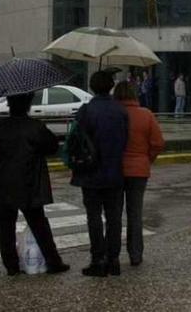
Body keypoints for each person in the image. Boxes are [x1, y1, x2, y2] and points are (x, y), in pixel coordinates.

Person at [0, 93, 70, 276]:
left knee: (5, 227)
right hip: (30, 183)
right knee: (39, 223)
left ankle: (11, 266)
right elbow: (53, 147)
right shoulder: (35, 127)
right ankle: (53, 261)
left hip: (2, 184)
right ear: (28, 105)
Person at [72, 71, 129, 277]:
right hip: (115, 172)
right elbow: (125, 140)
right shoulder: (121, 111)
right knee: (114, 218)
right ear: (111, 86)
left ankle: (98, 258)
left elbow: (77, 138)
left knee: (94, 217)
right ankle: (113, 259)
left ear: (92, 87)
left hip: (91, 172)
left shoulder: (86, 111)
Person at [113, 82, 165, 266]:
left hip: (116, 170)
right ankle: (135, 254)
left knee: (115, 213)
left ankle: (113, 254)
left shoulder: (114, 115)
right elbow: (158, 143)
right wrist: (146, 159)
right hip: (139, 170)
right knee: (135, 213)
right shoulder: (146, 115)